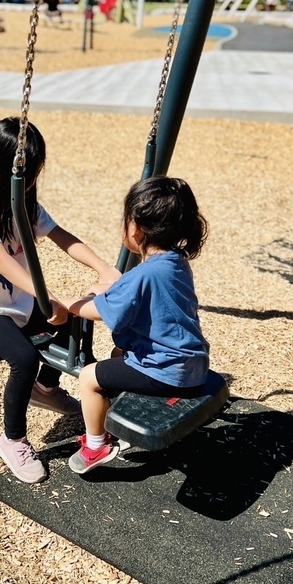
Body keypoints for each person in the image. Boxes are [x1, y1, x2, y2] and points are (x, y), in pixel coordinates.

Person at [0, 117, 121, 484]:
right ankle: (12, 440)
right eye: (26, 174)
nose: (30, 183)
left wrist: (104, 268)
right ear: (0, 167)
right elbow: (0, 260)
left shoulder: (26, 205)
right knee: (23, 357)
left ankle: (45, 388)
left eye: (34, 173)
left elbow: (63, 237)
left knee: (75, 319)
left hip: (18, 305)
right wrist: (47, 300)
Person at [65, 176, 210, 474]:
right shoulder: (176, 261)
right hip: (194, 363)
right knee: (119, 355)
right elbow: (142, 301)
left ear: (135, 228)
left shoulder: (142, 276)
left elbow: (105, 313)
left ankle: (96, 446)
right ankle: (119, 420)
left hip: (167, 371)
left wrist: (70, 304)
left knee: (90, 377)